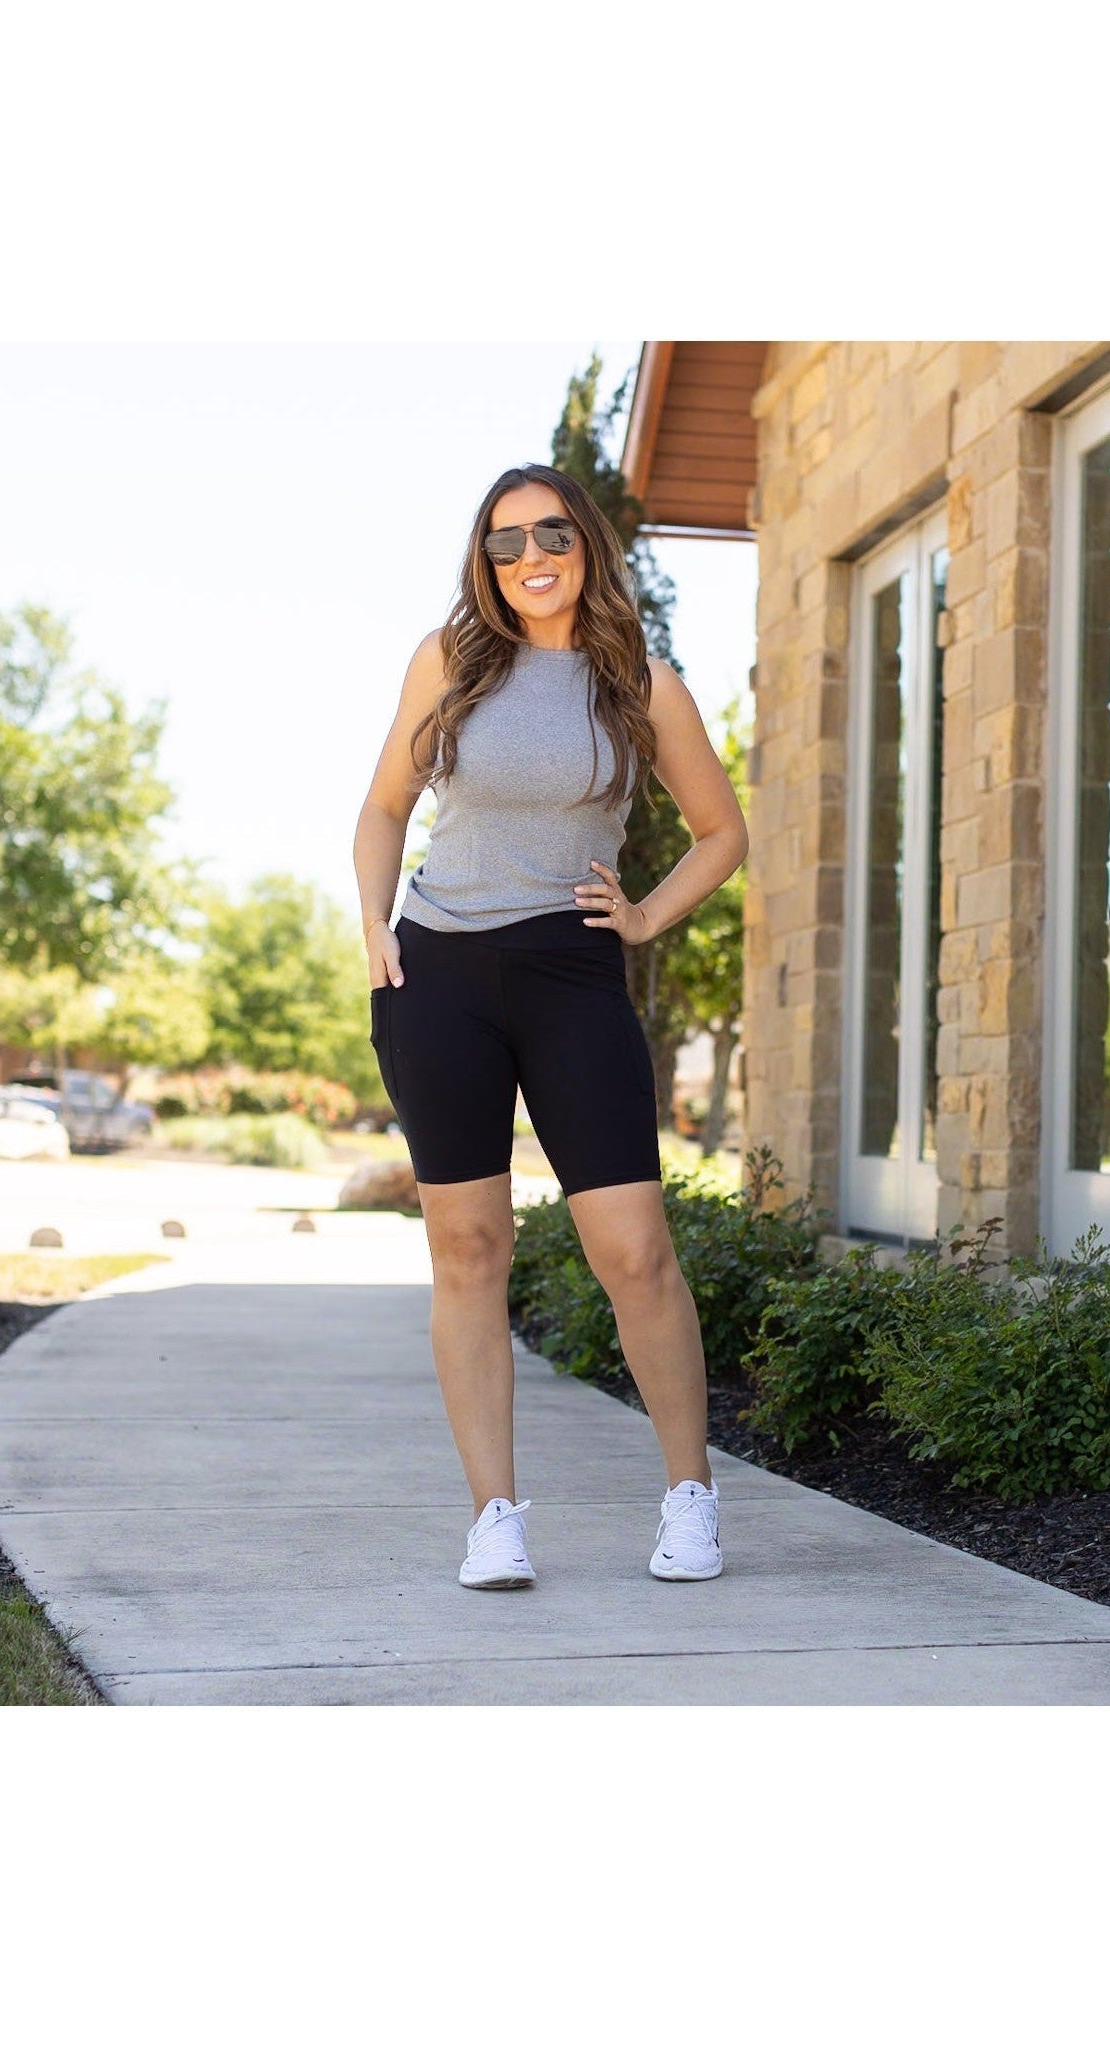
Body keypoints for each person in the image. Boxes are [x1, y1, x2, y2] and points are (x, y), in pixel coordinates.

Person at [353, 462, 749, 1591]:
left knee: (633, 1251)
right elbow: (383, 807)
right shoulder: (447, 662)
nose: (530, 557)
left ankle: (689, 1497)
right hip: (437, 971)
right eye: (505, 541)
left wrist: (643, 917)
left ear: (587, 547)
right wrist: (375, 926)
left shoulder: (641, 683)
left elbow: (722, 832)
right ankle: (494, 1518)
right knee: (468, 1249)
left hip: (571, 972)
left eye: (551, 535)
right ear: (485, 562)